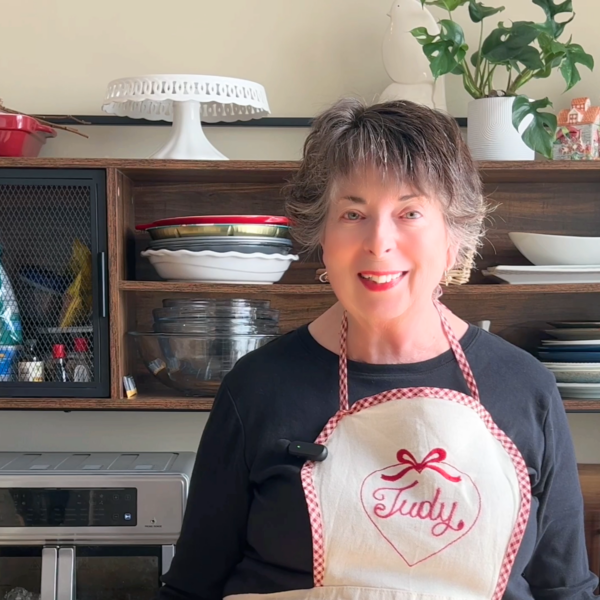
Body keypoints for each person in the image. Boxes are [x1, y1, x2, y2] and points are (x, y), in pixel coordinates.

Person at [159, 99, 599, 599]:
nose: (379, 241)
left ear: (454, 237)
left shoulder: (526, 389)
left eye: (409, 212)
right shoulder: (258, 388)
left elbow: (566, 591)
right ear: (322, 237)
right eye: (353, 213)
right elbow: (192, 589)